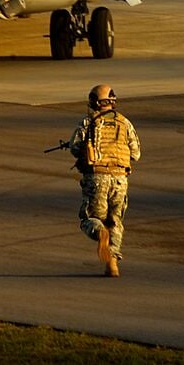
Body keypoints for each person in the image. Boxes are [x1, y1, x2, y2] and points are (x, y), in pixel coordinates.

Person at [67, 84, 141, 277]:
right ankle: (113, 264)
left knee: (89, 219)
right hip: (120, 179)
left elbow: (75, 148)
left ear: (94, 102)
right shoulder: (125, 123)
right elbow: (136, 154)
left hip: (97, 178)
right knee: (115, 221)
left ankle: (99, 233)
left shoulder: (87, 123)